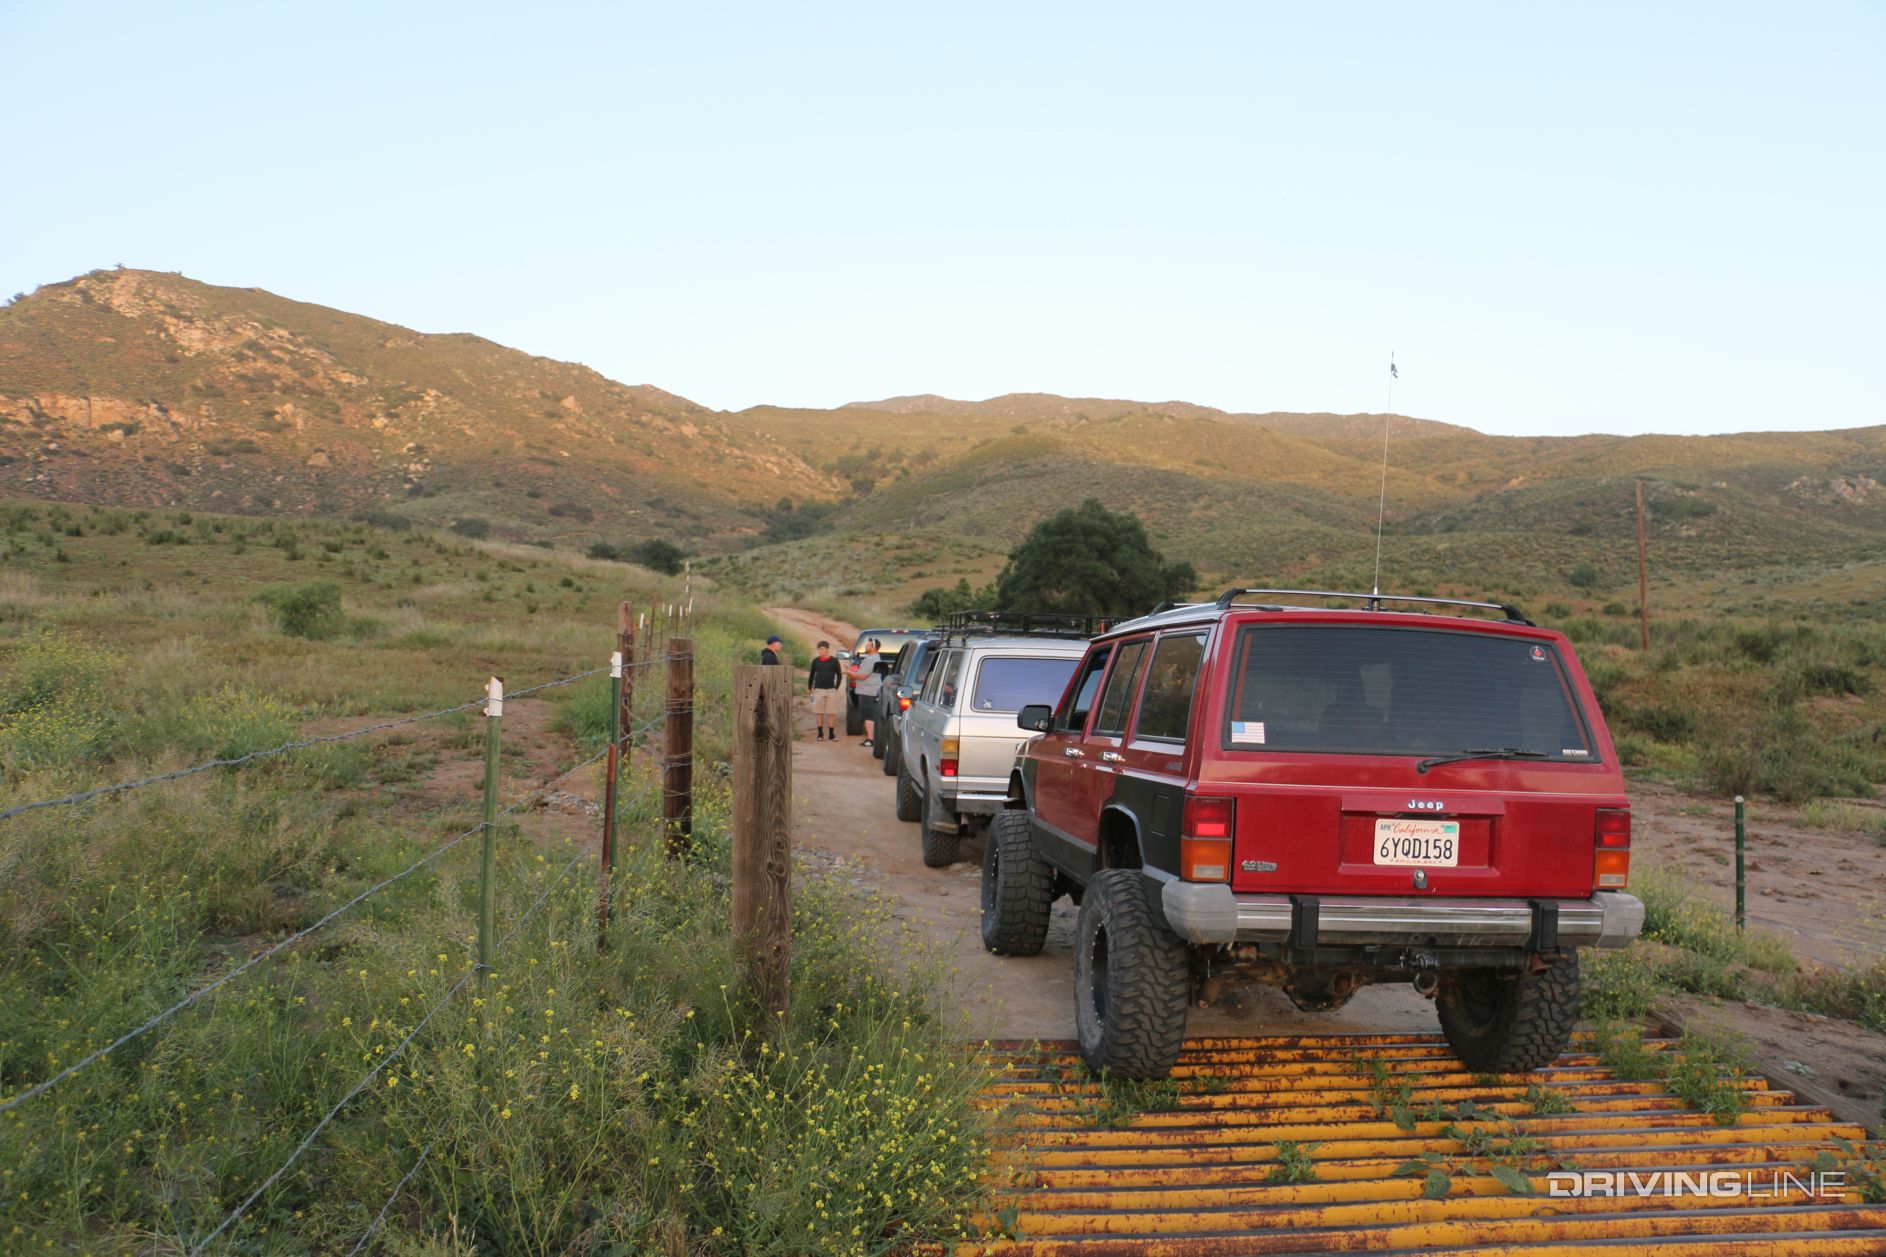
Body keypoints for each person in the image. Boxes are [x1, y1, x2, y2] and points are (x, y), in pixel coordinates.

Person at [807, 640, 844, 740]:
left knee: (831, 713)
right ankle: (820, 734)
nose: (820, 651)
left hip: (831, 690)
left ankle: (831, 734)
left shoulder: (834, 661)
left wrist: (836, 687)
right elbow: (811, 675)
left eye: (822, 649)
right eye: (819, 649)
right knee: (818, 712)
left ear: (827, 649)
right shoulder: (815, 661)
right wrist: (809, 687)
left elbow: (839, 674)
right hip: (818, 690)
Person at [849, 638, 883, 748]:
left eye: (868, 645)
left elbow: (862, 676)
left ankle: (871, 740)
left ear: (873, 647)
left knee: (868, 716)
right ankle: (871, 739)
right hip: (869, 691)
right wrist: (852, 672)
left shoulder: (871, 659)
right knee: (869, 715)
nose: (866, 646)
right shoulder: (873, 658)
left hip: (868, 692)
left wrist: (849, 672)